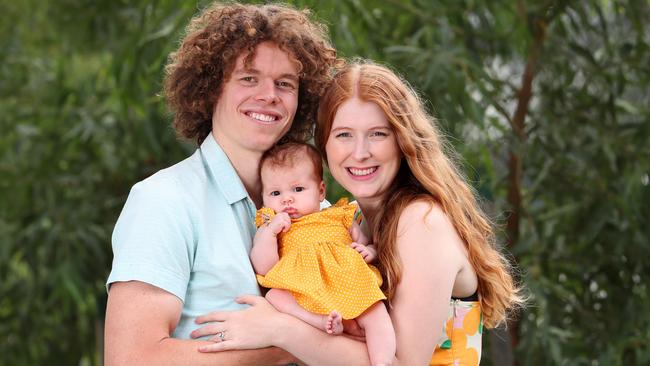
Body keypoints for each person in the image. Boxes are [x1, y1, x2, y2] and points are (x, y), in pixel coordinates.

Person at [191, 60, 523, 365]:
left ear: (403, 140)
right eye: (344, 135)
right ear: (324, 147)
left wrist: (279, 330)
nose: (360, 153)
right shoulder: (351, 220)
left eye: (378, 134)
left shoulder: (422, 223)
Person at [103, 2, 337, 365]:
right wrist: (286, 339)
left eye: (285, 83)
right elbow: (132, 358)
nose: (269, 94)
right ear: (211, 89)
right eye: (249, 78)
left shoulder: (317, 210)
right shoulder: (162, 201)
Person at [251, 142, 395, 365]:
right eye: (275, 192)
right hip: (305, 288)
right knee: (273, 296)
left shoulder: (339, 215)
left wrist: (368, 251)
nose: (286, 199)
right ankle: (320, 321)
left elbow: (364, 242)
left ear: (320, 191)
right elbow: (264, 266)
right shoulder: (271, 226)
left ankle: (382, 362)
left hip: (347, 280)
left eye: (297, 189)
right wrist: (270, 232)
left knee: (377, 315)